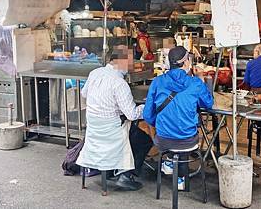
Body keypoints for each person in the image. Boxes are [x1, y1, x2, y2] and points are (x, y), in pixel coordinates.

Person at [76, 45, 152, 191]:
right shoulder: (119, 83)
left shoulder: (94, 73)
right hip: (112, 131)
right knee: (144, 140)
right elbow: (132, 114)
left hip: (93, 129)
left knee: (132, 132)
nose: (130, 66)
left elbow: (84, 94)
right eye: (129, 62)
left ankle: (111, 170)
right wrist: (147, 106)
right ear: (121, 61)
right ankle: (125, 175)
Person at [143, 46, 213, 191]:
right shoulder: (195, 83)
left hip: (163, 140)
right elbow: (208, 104)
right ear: (186, 63)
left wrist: (164, 123)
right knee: (184, 133)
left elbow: (148, 115)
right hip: (188, 140)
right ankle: (181, 177)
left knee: (171, 133)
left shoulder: (157, 82)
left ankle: (169, 162)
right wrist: (200, 78)